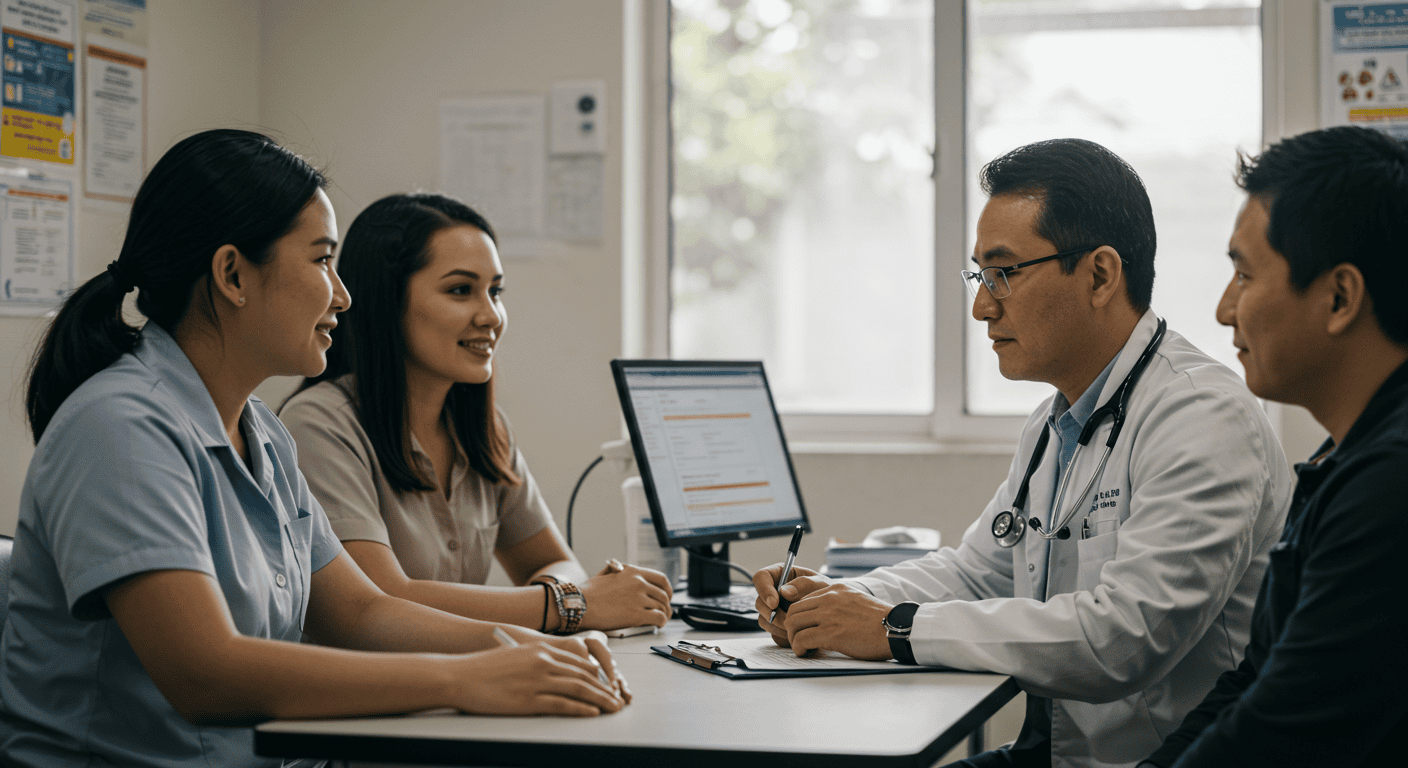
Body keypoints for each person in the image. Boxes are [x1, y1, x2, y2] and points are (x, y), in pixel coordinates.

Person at [0, 130, 625, 768]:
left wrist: (521, 648)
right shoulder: (118, 426)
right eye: (322, 260)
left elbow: (362, 612)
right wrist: (463, 679)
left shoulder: (262, 433)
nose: (343, 295)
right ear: (233, 275)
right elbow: (206, 673)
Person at [753, 138, 1293, 768]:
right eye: (980, 275)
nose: (982, 306)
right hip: (1055, 754)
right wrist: (838, 600)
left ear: (1099, 275)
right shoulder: (1057, 421)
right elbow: (976, 573)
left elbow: (1121, 639)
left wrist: (891, 628)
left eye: (1004, 273)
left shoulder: (1202, 417)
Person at [279, 193, 671, 635]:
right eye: (461, 290)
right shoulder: (318, 425)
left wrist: (565, 597)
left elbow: (555, 562)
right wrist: (566, 605)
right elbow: (381, 600)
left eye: (495, 291)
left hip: (467, 688)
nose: (491, 316)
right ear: (386, 301)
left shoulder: (483, 430)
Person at [1137, 127, 1408, 767]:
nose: (1225, 310)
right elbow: (1254, 680)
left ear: (1339, 296)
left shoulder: (1389, 489)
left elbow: (1281, 737)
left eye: (1244, 274)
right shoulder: (1346, 460)